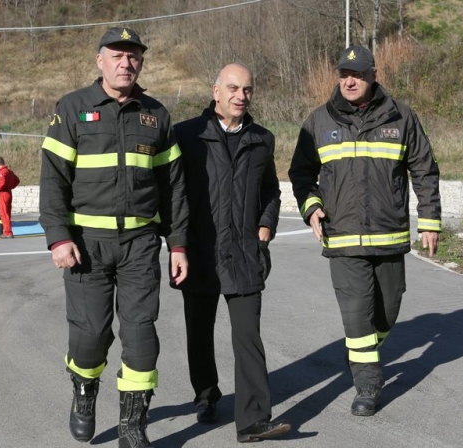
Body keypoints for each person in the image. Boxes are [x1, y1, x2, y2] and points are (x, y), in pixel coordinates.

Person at [39, 27, 189, 448]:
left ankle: (132, 424)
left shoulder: (156, 115)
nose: (126, 63)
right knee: (90, 337)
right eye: (117, 56)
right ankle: (84, 394)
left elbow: (173, 185)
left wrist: (177, 245)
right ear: (99, 60)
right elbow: (53, 181)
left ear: (141, 62)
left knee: (142, 334)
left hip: (140, 243)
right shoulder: (72, 109)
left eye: (134, 56)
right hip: (87, 244)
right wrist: (58, 237)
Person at [288, 45, 442, 417]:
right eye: (343, 74)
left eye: (357, 74)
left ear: (374, 74)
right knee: (356, 315)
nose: (349, 81)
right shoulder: (318, 122)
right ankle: (368, 384)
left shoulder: (401, 117)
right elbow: (301, 174)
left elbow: (424, 168)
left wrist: (430, 220)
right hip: (341, 237)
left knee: (387, 312)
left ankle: (362, 351)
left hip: (389, 237)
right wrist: (312, 208)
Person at [172, 63, 290, 443]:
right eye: (234, 88)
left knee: (248, 336)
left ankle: (254, 419)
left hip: (245, 253)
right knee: (200, 334)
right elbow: (171, 192)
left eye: (248, 90)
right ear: (216, 91)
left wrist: (266, 227)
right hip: (200, 253)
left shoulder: (262, 138)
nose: (242, 96)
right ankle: (206, 396)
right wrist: (177, 241)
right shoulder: (186, 135)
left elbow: (271, 188)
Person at [0, 157, 17, 239]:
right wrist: (11, 186)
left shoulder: (2, 172)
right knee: (7, 213)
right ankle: (8, 230)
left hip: (3, 194)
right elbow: (17, 180)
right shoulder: (10, 172)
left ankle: (7, 232)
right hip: (8, 193)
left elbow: (1, 183)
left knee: (4, 213)